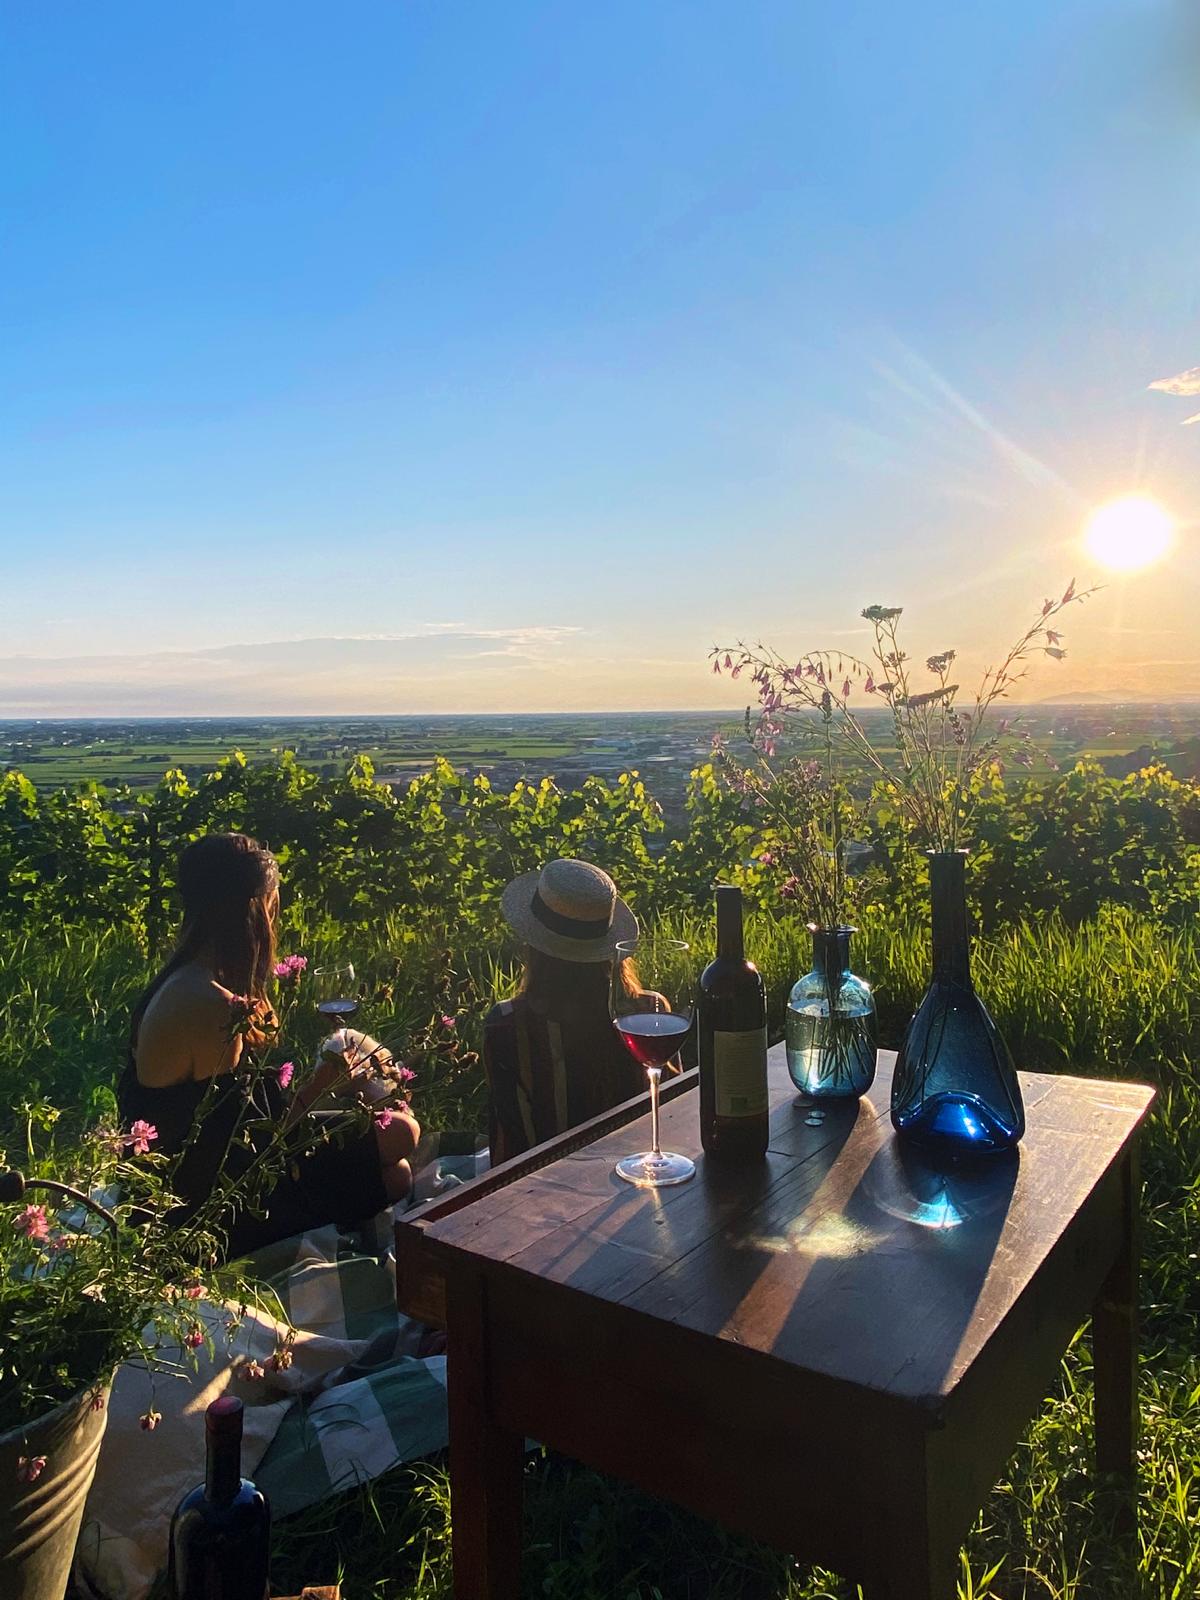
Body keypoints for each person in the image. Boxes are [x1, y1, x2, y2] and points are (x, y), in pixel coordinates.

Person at [119, 832, 419, 1258]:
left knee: (396, 1139)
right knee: (399, 1151)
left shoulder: (187, 979)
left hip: (207, 1167)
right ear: (255, 910)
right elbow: (256, 1149)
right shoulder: (208, 1004)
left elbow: (231, 1121)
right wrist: (323, 1084)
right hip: (208, 1206)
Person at [484, 858, 653, 1162]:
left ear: (533, 944)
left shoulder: (508, 1026)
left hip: (543, 1185)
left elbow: (514, 1150)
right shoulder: (650, 1012)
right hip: (641, 1174)